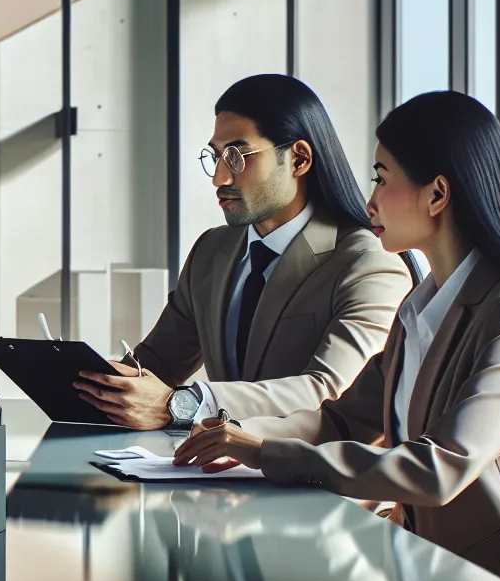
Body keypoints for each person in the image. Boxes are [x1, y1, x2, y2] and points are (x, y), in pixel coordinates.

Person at [173, 90, 500, 581]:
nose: (368, 201)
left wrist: (262, 453)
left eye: (382, 177)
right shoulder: (420, 306)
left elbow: (439, 468)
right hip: (431, 579)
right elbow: (344, 420)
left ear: (436, 195)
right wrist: (228, 437)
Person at [75, 74, 411, 429]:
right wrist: (82, 381)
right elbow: (156, 365)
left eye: (237, 156)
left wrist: (187, 404)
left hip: (307, 477)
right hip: (213, 474)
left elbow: (331, 392)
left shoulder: (367, 263)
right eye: (217, 156)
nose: (219, 178)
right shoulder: (211, 251)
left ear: (298, 159)